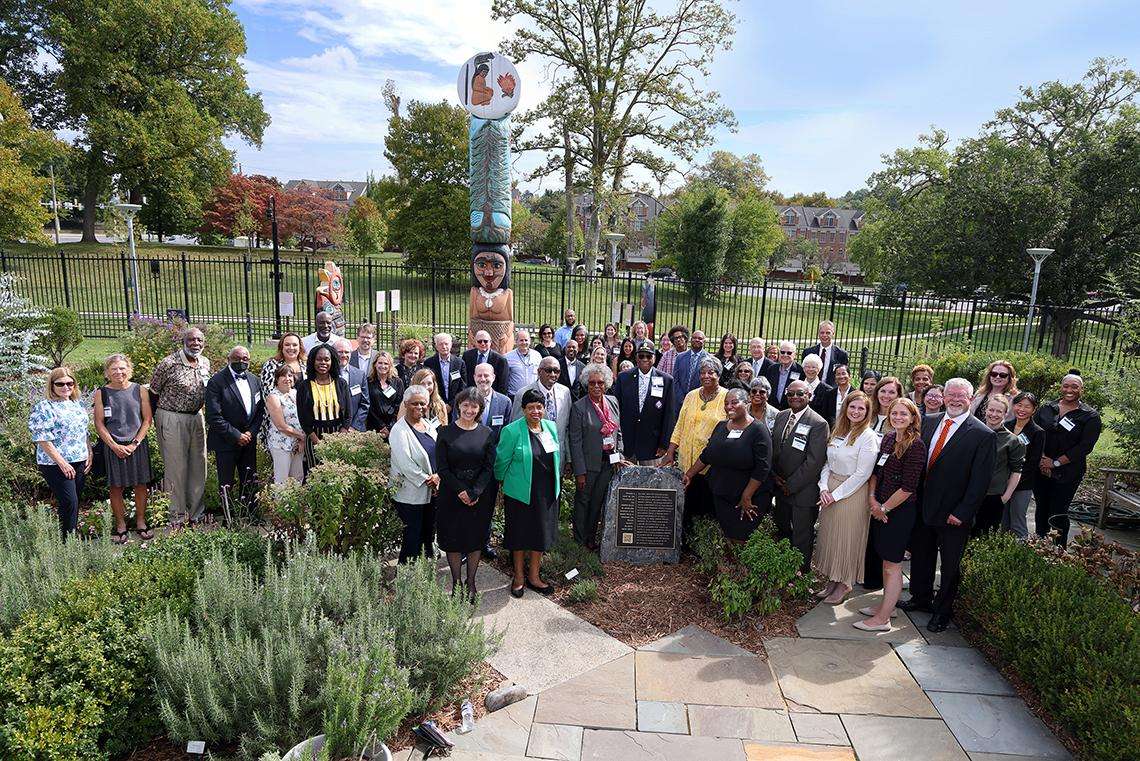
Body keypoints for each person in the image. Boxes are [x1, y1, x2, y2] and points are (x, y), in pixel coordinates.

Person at [899, 378, 996, 633]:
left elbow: (980, 481)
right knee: (922, 555)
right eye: (950, 394)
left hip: (954, 513)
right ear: (943, 396)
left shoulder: (982, 434)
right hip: (923, 507)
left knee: (950, 565)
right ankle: (921, 597)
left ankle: (942, 611)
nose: (954, 399)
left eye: (960, 396)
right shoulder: (928, 422)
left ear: (971, 399)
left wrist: (962, 512)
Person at [857, 398, 927, 632]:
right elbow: (877, 472)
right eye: (894, 413)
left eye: (903, 414)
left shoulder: (915, 445)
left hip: (899, 513)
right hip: (880, 507)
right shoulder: (887, 438)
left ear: (912, 418)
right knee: (886, 562)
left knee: (892, 565)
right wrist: (872, 499)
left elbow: (908, 487)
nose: (898, 417)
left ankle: (882, 619)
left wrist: (884, 508)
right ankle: (889, 607)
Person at [813, 391, 879, 604]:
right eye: (853, 407)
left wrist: (835, 495)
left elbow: (863, 474)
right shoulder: (839, 430)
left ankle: (844, 583)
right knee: (831, 537)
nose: (856, 411)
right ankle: (833, 580)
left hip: (850, 494)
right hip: (830, 490)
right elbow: (827, 463)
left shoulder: (867, 436)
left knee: (846, 539)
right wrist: (823, 487)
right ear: (846, 408)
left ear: (868, 412)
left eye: (861, 408)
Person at [495, 388, 561, 598]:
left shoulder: (551, 427)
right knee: (520, 536)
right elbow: (501, 463)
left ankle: (534, 576)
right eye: (530, 407)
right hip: (520, 494)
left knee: (539, 536)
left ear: (544, 409)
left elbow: (556, 458)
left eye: (539, 407)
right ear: (523, 410)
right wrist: (499, 485)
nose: (535, 411)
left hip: (546, 493)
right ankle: (519, 577)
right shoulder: (512, 431)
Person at [683, 388, 772, 541]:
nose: (729, 406)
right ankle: (728, 565)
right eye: (726, 403)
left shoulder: (758, 429)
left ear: (747, 403)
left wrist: (747, 495)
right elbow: (707, 455)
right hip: (722, 493)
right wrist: (689, 474)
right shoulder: (721, 426)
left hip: (746, 498)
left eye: (734, 402)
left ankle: (740, 565)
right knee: (726, 536)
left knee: (742, 538)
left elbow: (763, 467)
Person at [436, 388, 498, 600]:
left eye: (474, 406)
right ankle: (456, 583)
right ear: (458, 405)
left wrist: (475, 492)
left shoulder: (488, 433)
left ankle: (471, 582)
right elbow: (442, 469)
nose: (469, 409)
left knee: (475, 539)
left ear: (480, 409)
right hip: (451, 494)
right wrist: (461, 491)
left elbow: (489, 467)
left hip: (479, 497)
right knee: (453, 540)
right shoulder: (444, 433)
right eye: (465, 405)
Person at [150, 327, 210, 524]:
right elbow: (153, 392)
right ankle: (176, 515)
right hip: (172, 417)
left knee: (198, 465)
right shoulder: (169, 363)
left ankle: (196, 513)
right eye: (191, 339)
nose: (196, 344)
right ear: (183, 341)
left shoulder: (204, 362)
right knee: (176, 467)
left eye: (199, 340)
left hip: (196, 417)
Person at [1033, 373, 1102, 545]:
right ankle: (1040, 546)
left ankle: (1058, 551)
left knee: (1058, 512)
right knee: (1041, 508)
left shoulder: (1090, 416)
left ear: (1081, 390)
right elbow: (1034, 432)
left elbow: (1084, 447)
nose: (1069, 390)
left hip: (1068, 473)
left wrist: (1055, 463)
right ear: (1061, 387)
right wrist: (1043, 459)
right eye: (1066, 386)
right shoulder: (1047, 408)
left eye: (1074, 387)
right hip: (1041, 468)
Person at [770, 380, 830, 572]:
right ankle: (785, 568)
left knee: (802, 536)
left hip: (803, 491)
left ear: (809, 396)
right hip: (781, 488)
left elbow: (814, 461)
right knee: (782, 528)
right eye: (790, 394)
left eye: (800, 394)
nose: (794, 397)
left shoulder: (819, 423)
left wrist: (791, 485)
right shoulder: (781, 416)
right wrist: (775, 478)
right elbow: (774, 449)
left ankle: (801, 574)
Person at [93, 354, 153, 543]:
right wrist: (113, 445)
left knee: (140, 485)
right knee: (116, 487)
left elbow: (147, 420)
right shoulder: (101, 393)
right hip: (113, 446)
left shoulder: (140, 390)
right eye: (114, 369)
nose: (119, 372)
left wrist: (135, 443)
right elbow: (99, 424)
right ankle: (121, 525)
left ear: (129, 369)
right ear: (107, 372)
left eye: (122, 368)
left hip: (137, 444)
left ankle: (141, 522)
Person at [664, 357, 728, 533]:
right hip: (686, 462)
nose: (706, 376)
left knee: (706, 508)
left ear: (718, 375)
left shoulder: (726, 397)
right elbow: (680, 425)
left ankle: (704, 547)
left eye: (711, 372)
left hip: (710, 465)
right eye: (702, 372)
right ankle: (685, 545)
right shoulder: (691, 396)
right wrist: (670, 451)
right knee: (686, 507)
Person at [568, 363, 624, 548]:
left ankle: (591, 539)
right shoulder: (579, 407)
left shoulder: (613, 402)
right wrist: (580, 472)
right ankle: (579, 541)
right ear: (586, 384)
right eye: (592, 383)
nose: (596, 386)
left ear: (606, 383)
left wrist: (619, 455)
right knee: (583, 502)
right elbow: (575, 442)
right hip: (588, 465)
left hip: (608, 464)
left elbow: (618, 432)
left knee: (597, 503)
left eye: (600, 382)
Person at [31, 367, 91, 538]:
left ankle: (70, 538)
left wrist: (90, 452)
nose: (66, 387)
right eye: (60, 384)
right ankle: (68, 544)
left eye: (70, 383)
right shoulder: (45, 407)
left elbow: (83, 431)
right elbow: (42, 438)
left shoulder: (77, 403)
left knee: (74, 502)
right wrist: (62, 463)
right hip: (55, 463)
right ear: (52, 386)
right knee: (69, 501)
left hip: (79, 460)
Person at [205, 345, 265, 508]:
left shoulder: (254, 380)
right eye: (237, 358)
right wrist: (236, 435)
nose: (241, 361)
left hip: (249, 440)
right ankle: (229, 519)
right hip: (226, 441)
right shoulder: (216, 382)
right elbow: (213, 416)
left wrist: (250, 433)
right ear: (228, 359)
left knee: (250, 479)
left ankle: (251, 514)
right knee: (226, 482)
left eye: (245, 359)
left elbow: (260, 410)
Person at [389, 385, 440, 564]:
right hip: (410, 493)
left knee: (427, 532)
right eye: (415, 403)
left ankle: (422, 572)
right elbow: (405, 465)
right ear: (406, 404)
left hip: (430, 491)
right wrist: (430, 480)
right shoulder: (399, 430)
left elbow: (437, 452)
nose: (419, 407)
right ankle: (405, 573)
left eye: (423, 404)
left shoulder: (428, 425)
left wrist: (438, 477)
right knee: (412, 535)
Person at [973, 395, 1025, 537]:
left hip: (993, 497)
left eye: (999, 412)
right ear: (986, 410)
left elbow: (1016, 470)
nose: (994, 415)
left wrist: (1006, 496)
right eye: (991, 410)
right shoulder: (974, 433)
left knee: (985, 539)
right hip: (970, 494)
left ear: (1005, 414)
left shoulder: (1012, 441)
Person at [614, 344, 675, 465]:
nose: (645, 359)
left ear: (654, 358)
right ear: (636, 358)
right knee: (626, 482)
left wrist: (664, 444)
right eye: (641, 356)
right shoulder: (623, 377)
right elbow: (616, 410)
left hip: (652, 446)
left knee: (650, 483)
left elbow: (669, 415)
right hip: (627, 444)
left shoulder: (666, 380)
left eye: (648, 356)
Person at [511, 356, 572, 466]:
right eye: (549, 370)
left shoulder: (565, 392)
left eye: (556, 371)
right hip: (533, 459)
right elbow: (515, 430)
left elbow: (566, 428)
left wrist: (568, 459)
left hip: (558, 457)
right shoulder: (523, 394)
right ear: (539, 371)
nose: (553, 374)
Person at [296, 345, 351, 465]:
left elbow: (347, 415)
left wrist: (339, 438)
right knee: (317, 477)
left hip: (338, 437)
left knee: (338, 475)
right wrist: (317, 442)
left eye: (326, 359)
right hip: (314, 436)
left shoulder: (341, 384)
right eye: (319, 359)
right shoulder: (304, 386)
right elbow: (303, 419)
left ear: (333, 361)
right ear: (312, 361)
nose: (323, 363)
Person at [1004, 391, 1044, 538]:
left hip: (1023, 484)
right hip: (1003, 481)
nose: (1022, 409)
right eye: (1019, 405)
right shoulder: (1006, 425)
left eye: (1027, 406)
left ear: (1034, 409)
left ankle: (1021, 554)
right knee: (1003, 521)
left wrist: (1014, 480)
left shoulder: (1037, 432)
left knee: (1017, 521)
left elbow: (1033, 463)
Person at [264, 364, 306, 484]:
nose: (287, 378)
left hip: (298, 443)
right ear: (277, 379)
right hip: (281, 444)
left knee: (297, 478)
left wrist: (301, 440)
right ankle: (280, 504)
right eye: (283, 375)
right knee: (282, 482)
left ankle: (295, 503)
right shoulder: (273, 397)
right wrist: (302, 436)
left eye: (290, 375)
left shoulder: (296, 393)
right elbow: (281, 426)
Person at [366, 351, 404, 437]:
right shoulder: (368, 382)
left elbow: (399, 405)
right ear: (375, 364)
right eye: (380, 363)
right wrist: (381, 426)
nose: (383, 366)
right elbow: (369, 406)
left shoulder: (398, 382)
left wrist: (389, 427)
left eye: (386, 363)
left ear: (390, 365)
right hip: (374, 427)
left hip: (394, 427)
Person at [424, 333, 467, 408]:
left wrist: (451, 405)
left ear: (451, 345)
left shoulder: (459, 363)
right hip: (435, 405)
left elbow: (463, 386)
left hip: (455, 406)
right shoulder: (429, 363)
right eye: (441, 344)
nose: (444, 347)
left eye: (446, 344)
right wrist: (439, 404)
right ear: (436, 346)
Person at [335, 339, 370, 432]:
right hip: (333, 430)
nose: (344, 355)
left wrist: (353, 426)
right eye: (340, 352)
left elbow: (365, 404)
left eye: (347, 352)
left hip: (356, 430)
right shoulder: (328, 375)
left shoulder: (360, 375)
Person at [471, 362, 513, 439]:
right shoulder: (464, 401)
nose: (483, 379)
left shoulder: (505, 402)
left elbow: (507, 432)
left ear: (493, 377)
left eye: (486, 375)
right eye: (479, 375)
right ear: (474, 377)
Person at [671, 329, 709, 412]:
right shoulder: (680, 357)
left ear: (704, 341)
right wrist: (681, 398)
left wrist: (695, 398)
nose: (697, 340)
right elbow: (675, 379)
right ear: (691, 340)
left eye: (700, 338)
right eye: (694, 338)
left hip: (698, 401)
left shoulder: (709, 359)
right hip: (680, 402)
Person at [462, 330, 509, 396]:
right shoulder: (467, 356)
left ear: (490, 342)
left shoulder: (500, 360)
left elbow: (503, 384)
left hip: (491, 396)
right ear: (475, 342)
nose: (482, 343)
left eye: (485, 341)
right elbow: (464, 378)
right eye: (479, 341)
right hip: (472, 396)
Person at [802, 320, 849, 386]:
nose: (824, 335)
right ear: (818, 334)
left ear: (833, 334)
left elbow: (844, 375)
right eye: (822, 332)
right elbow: (804, 372)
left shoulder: (842, 354)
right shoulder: (808, 352)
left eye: (828, 333)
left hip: (831, 391)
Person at [762, 340, 804, 409]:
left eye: (789, 353)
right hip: (772, 409)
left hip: (790, 410)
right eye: (782, 352)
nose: (785, 355)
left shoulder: (800, 371)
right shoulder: (772, 369)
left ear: (795, 355)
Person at [505, 329, 542, 398]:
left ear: (530, 341)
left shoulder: (537, 355)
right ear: (516, 342)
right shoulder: (508, 357)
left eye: (526, 340)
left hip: (533, 395)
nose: (524, 342)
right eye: (521, 340)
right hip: (515, 396)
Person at [803, 354, 836, 427]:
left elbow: (830, 416)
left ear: (819, 369)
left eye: (814, 367)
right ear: (803, 368)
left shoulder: (828, 391)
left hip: (818, 428)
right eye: (807, 367)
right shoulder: (798, 386)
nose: (810, 369)